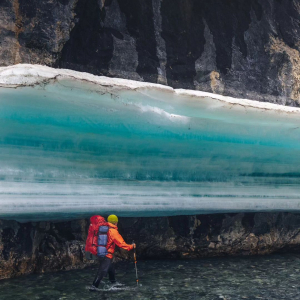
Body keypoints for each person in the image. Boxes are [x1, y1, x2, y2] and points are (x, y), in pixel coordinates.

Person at [90, 214, 135, 291]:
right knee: (102, 272)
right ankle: (93, 288)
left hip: (100, 253)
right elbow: (122, 244)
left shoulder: (103, 229)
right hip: (106, 255)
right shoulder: (113, 231)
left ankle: (113, 283)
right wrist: (132, 246)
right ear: (116, 222)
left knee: (111, 269)